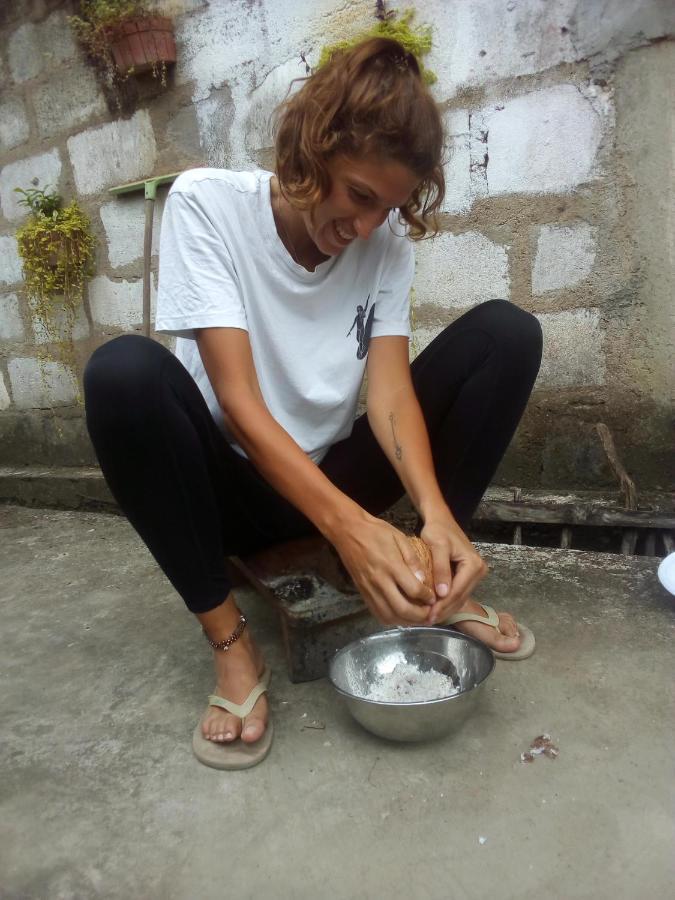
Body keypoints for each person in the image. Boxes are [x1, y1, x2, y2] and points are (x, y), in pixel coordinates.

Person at [84, 37, 542, 769]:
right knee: (122, 375)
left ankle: (438, 581)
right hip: (235, 485)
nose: (364, 228)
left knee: (505, 337)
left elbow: (390, 393)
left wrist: (433, 515)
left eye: (387, 207)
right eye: (358, 195)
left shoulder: (385, 240)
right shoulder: (207, 206)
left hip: (331, 475)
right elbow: (236, 402)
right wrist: (352, 531)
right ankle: (230, 643)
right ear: (310, 151)